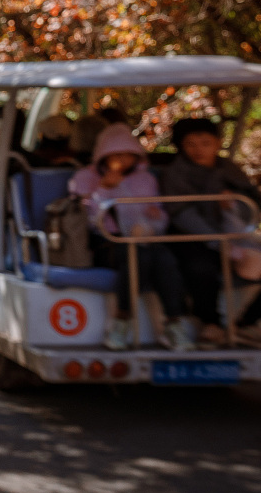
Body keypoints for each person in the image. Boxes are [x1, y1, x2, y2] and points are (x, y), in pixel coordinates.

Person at [159, 118, 261, 347]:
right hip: (194, 238)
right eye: (191, 144)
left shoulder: (229, 169)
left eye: (205, 143)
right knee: (199, 268)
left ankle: (247, 324)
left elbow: (253, 207)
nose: (198, 150)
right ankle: (211, 324)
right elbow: (183, 215)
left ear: (217, 143)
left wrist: (233, 210)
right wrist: (218, 242)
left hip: (238, 235)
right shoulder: (175, 174)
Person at [70, 124, 201, 350]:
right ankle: (121, 320)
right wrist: (103, 190)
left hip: (145, 239)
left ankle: (173, 323)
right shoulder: (84, 178)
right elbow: (85, 219)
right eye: (116, 154)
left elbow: (159, 212)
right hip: (105, 242)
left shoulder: (145, 179)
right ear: (104, 155)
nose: (122, 160)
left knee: (164, 259)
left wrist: (154, 217)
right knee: (138, 257)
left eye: (127, 155)